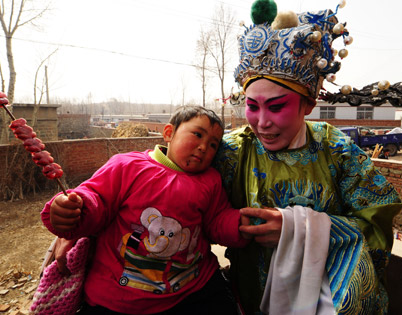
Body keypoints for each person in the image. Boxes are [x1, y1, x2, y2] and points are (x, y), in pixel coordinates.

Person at [211, 1, 402, 314]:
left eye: (276, 107)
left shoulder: (338, 150)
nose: (261, 122)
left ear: (309, 104)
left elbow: (376, 226)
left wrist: (295, 229)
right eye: (251, 106)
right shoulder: (231, 152)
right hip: (249, 301)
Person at [41, 105, 250, 314]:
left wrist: (238, 225)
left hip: (193, 289)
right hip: (118, 297)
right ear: (169, 133)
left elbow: (217, 220)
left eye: (213, 144)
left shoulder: (210, 180)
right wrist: (72, 210)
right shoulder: (127, 166)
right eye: (197, 134)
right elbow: (97, 199)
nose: (204, 147)